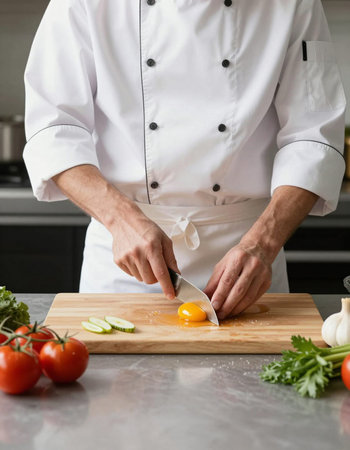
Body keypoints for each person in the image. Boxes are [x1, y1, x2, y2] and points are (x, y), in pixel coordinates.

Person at [23, 0, 346, 319]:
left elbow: (312, 135)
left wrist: (263, 243)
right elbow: (54, 128)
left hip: (250, 263)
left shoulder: (292, 4)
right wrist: (120, 220)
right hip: (125, 264)